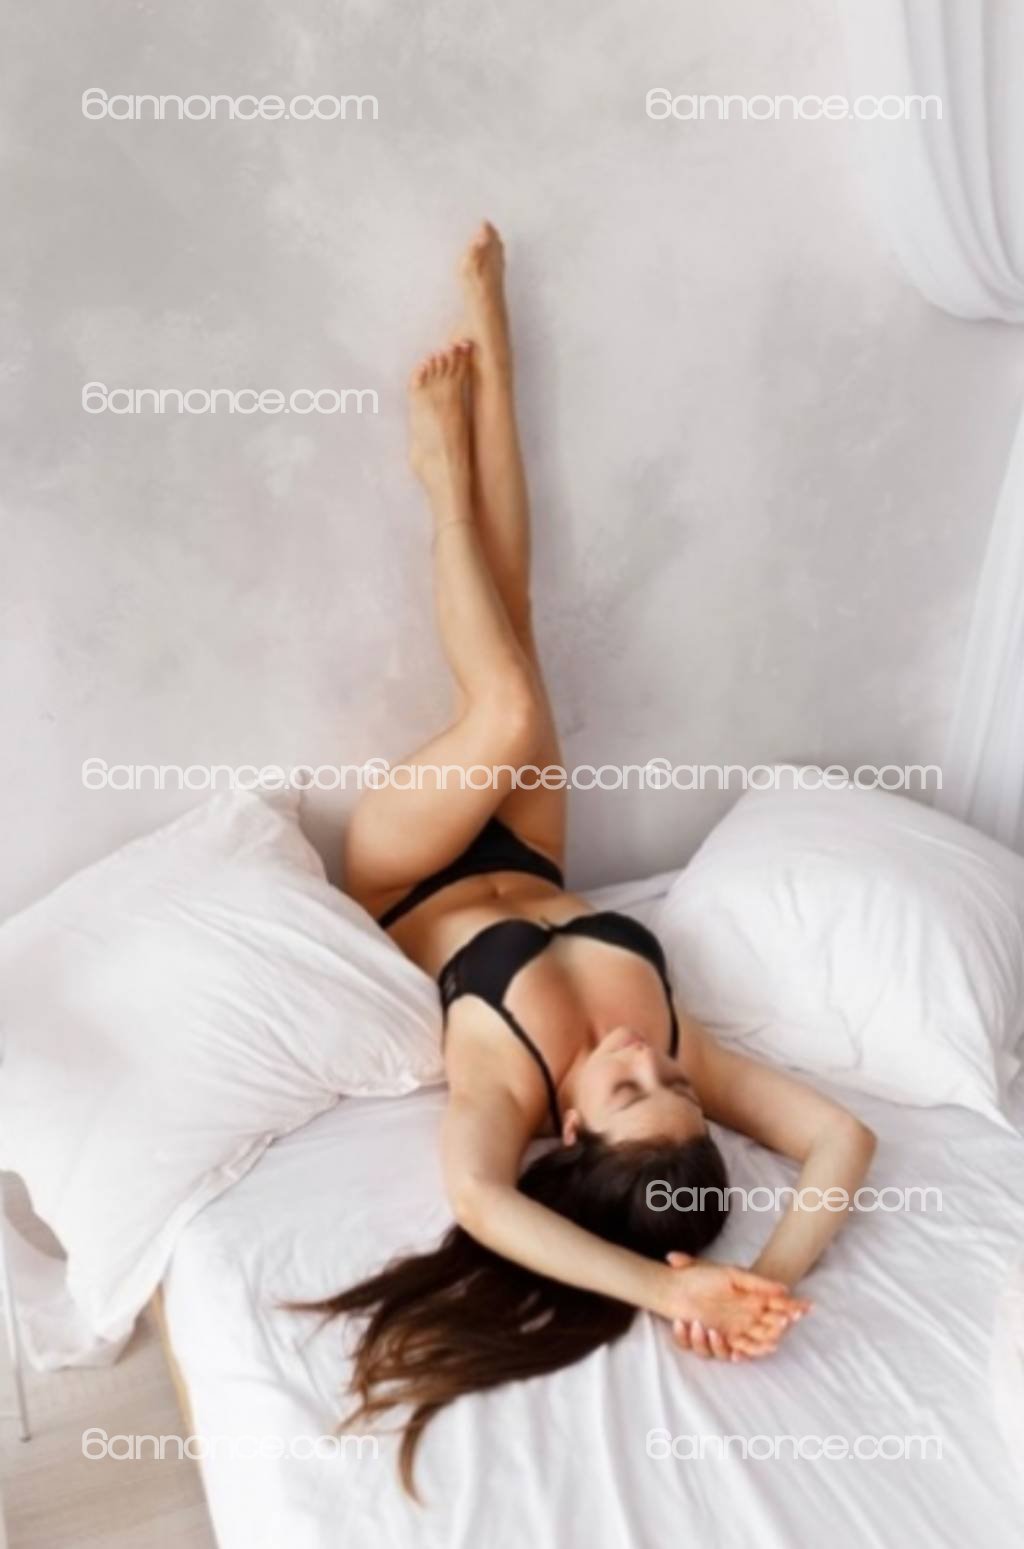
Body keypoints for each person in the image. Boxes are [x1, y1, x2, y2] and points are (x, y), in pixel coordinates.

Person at [300, 223, 876, 1492]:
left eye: (624, 1086)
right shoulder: (674, 1056)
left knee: (503, 702)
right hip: (533, 847)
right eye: (670, 1076)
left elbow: (485, 1205)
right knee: (521, 616)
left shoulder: (501, 1094)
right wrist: (762, 1277)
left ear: (567, 1124)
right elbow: (840, 1139)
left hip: (412, 872)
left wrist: (665, 1295)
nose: (640, 1051)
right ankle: (495, 341)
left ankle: (437, 479)